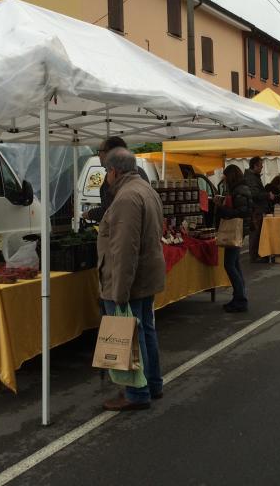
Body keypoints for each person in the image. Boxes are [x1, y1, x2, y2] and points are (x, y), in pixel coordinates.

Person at [98, 148, 165, 411]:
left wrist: (120, 291)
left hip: (131, 279)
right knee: (146, 330)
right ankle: (153, 384)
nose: (106, 178)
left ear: (114, 171)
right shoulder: (145, 189)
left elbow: (125, 250)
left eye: (106, 172)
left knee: (132, 335)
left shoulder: (126, 197)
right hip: (146, 275)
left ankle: (137, 393)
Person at [215, 165, 252, 312]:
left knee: (229, 265)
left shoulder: (239, 190)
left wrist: (221, 208)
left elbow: (241, 211)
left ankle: (240, 299)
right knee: (235, 264)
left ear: (230, 176)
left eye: (225, 177)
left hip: (235, 230)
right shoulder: (240, 189)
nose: (223, 180)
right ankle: (239, 296)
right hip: (240, 230)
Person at [88, 136, 149, 222]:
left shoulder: (115, 178)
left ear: (110, 153)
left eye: (100, 151)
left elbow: (110, 212)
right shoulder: (140, 173)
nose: (98, 155)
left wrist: (90, 214)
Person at [244, 157, 272, 262]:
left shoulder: (253, 177)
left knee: (257, 232)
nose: (262, 167)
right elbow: (254, 194)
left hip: (257, 209)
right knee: (255, 233)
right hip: (255, 209)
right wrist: (267, 195)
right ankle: (254, 256)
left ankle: (256, 255)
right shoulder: (251, 178)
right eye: (260, 165)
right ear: (255, 165)